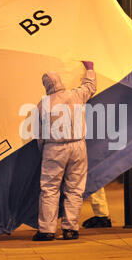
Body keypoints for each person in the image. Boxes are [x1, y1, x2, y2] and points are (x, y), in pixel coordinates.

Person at [33, 61, 97, 241]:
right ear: (60, 82)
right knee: (75, 189)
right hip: (78, 146)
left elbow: (39, 134)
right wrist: (90, 69)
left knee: (49, 189)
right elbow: (89, 87)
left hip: (54, 148)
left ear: (46, 85)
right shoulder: (75, 95)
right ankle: (70, 228)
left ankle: (46, 230)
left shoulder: (43, 105)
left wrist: (43, 150)